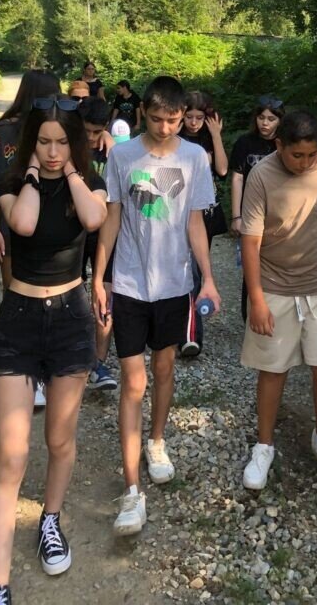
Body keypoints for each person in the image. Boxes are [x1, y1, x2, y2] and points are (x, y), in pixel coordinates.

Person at [0, 96, 107, 605]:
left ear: (74, 144)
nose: (53, 152)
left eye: (62, 142)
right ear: (31, 142)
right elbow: (25, 226)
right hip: (20, 321)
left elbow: (94, 219)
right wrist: (32, 172)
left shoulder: (88, 183)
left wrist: (72, 171)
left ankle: (50, 519)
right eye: (44, 142)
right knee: (10, 454)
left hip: (71, 319)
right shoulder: (12, 185)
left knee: (59, 439)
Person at [92, 75, 220, 537]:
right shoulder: (123, 156)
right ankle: (131, 491)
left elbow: (195, 222)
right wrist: (99, 278)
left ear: (183, 117)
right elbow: (112, 217)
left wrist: (208, 279)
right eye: (158, 119)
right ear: (143, 112)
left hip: (173, 284)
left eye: (175, 120)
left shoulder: (195, 157)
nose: (166, 128)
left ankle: (157, 440)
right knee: (134, 382)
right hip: (129, 281)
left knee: (164, 368)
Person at [240, 111, 317, 491]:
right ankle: (264, 445)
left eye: (311, 155)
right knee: (273, 368)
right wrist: (257, 299)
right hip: (274, 281)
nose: (305, 163)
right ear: (279, 146)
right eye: (297, 155)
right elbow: (250, 240)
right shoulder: (261, 176)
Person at [0, 69, 61, 292]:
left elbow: (90, 132)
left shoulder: (63, 131)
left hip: (49, 227)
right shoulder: (5, 131)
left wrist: (106, 135)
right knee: (14, 293)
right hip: (13, 226)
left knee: (41, 294)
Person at [179, 90, 229, 357]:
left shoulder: (209, 140)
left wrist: (217, 136)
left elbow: (222, 170)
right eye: (190, 116)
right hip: (178, 212)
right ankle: (188, 333)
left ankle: (190, 332)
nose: (194, 122)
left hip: (205, 214)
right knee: (186, 271)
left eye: (200, 117)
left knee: (196, 270)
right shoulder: (175, 138)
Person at [228, 95, 285, 320]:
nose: (265, 123)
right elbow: (237, 177)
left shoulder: (285, 143)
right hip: (252, 214)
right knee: (251, 265)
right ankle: (250, 314)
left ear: (280, 120)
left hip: (279, 215)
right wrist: (236, 216)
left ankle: (278, 314)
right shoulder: (245, 143)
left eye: (271, 119)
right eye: (261, 118)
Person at [80, 99, 117, 391]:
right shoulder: (64, 147)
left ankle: (98, 364)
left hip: (106, 232)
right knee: (71, 296)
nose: (92, 137)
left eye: (97, 131)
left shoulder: (114, 151)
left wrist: (113, 146)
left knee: (106, 293)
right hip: (73, 233)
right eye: (87, 131)